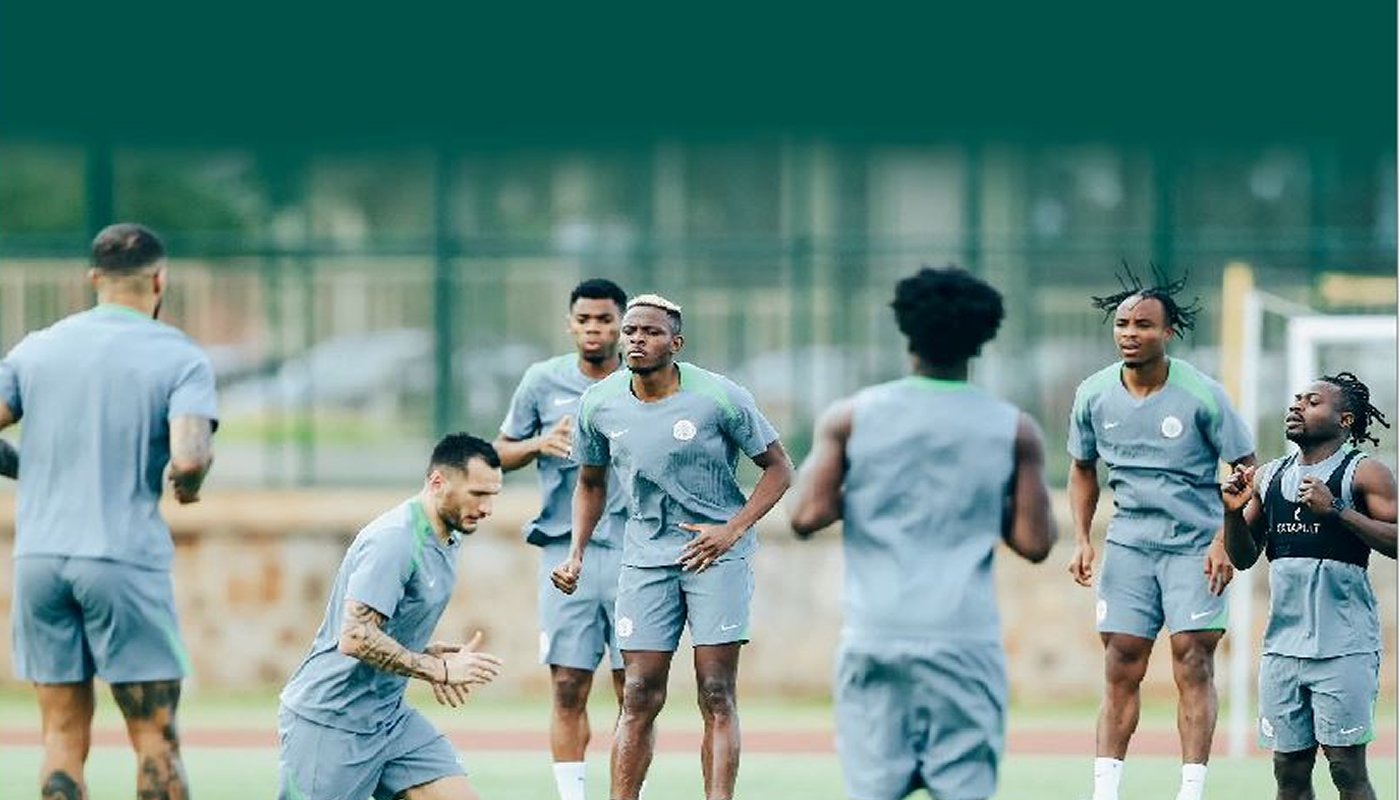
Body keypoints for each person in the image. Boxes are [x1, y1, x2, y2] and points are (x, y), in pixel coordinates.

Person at [787, 265, 1058, 800]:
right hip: (963, 638)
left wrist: (875, 493)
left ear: (906, 331)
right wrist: (973, 499)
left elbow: (804, 516)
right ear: (982, 340)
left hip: (875, 633)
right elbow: (1035, 543)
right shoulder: (1014, 428)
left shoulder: (850, 417)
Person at [0, 223, 216, 799]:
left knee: (61, 736)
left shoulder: (37, 346)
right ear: (159, 280)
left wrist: (30, 467)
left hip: (39, 561)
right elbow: (190, 456)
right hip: (121, 558)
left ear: (93, 279)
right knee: (154, 736)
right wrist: (186, 486)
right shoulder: (179, 355)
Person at [550, 293, 793, 800]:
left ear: (675, 343)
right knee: (638, 694)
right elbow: (590, 484)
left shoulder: (720, 397)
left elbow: (779, 469)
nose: (637, 339)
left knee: (716, 692)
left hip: (716, 556)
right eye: (631, 331)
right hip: (644, 559)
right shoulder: (599, 403)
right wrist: (576, 551)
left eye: (651, 332)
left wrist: (732, 530)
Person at [1066, 266, 1256, 800]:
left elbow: (1246, 467)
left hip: (1195, 546)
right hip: (1129, 545)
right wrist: (1083, 537)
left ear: (1168, 332)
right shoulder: (1093, 395)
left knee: (1193, 657)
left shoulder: (1202, 394)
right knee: (1122, 659)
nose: (1130, 332)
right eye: (1123, 323)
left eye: (1144, 324)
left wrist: (1225, 539)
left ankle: (1189, 791)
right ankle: (1106, 790)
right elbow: (1082, 469)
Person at [278, 433, 506, 800]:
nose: (488, 507)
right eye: (478, 494)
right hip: (332, 721)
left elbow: (381, 627)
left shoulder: (447, 536)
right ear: (437, 483)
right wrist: (437, 671)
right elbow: (355, 636)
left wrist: (425, 651)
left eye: (494, 494)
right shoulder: (395, 540)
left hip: (389, 720)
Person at [1221, 371, 1395, 800]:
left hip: (1345, 647)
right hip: (1283, 649)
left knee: (1346, 770)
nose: (1297, 405)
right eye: (1297, 398)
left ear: (1346, 420)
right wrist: (1230, 513)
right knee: (1289, 772)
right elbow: (1242, 558)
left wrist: (1335, 509)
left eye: (1313, 401)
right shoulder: (1269, 476)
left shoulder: (1365, 473)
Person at [494, 278, 630, 800]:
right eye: (585, 320)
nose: (595, 329)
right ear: (570, 324)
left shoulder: (644, 381)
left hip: (633, 553)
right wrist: (538, 444)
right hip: (562, 553)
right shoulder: (541, 381)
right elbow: (496, 452)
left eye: (605, 320)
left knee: (633, 689)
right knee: (569, 683)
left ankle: (626, 792)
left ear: (622, 325)